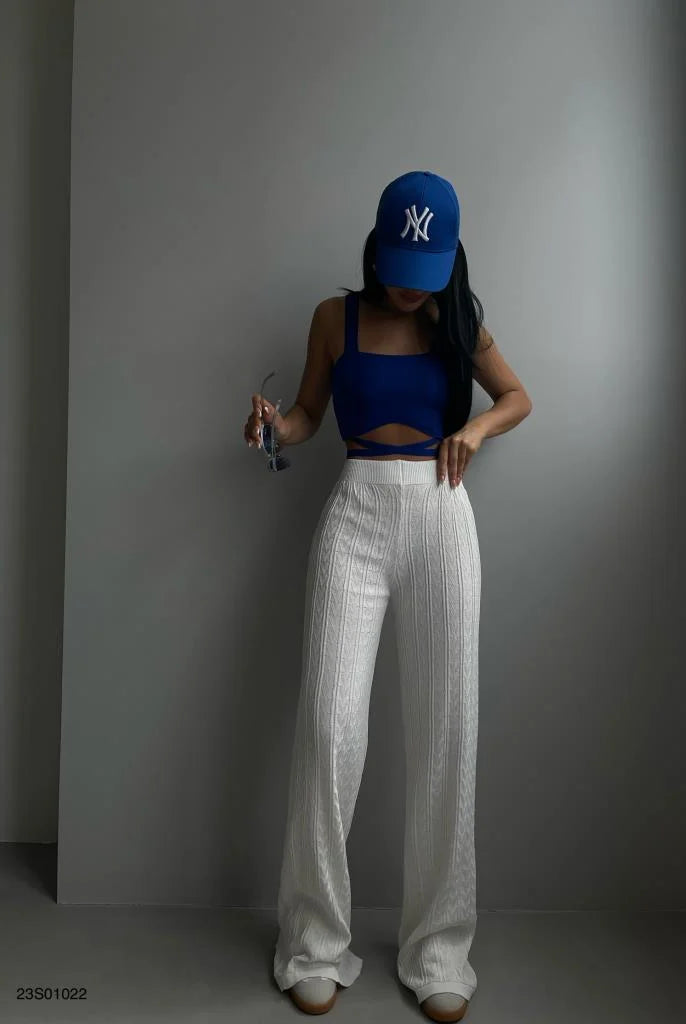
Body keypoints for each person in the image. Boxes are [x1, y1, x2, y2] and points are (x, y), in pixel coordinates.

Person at [243, 171, 533, 1021]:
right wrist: (273, 428)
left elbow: (517, 397)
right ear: (377, 249)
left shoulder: (459, 319)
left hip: (441, 517)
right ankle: (313, 942)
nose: (413, 285)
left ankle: (439, 950)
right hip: (356, 517)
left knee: (446, 729)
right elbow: (307, 415)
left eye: (428, 267)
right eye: (403, 266)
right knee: (329, 727)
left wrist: (474, 429)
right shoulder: (333, 320)